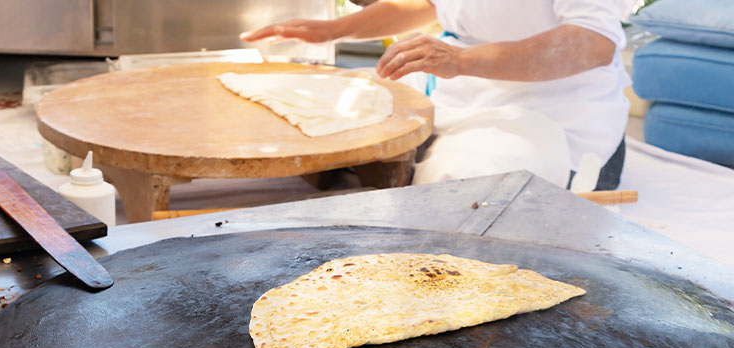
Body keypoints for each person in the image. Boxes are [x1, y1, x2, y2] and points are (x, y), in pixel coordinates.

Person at [241, 0, 630, 190]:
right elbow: (432, 4)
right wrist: (332, 30)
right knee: (311, 106)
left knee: (458, 190)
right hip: (454, 95)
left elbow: (592, 42)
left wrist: (460, 59)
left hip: (548, 117)